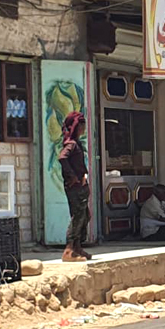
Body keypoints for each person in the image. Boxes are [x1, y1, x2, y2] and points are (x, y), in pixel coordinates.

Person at [58, 109, 91, 262]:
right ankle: (69, 249)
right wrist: (73, 177)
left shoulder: (77, 144)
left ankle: (77, 247)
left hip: (80, 187)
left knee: (85, 216)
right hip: (75, 188)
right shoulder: (71, 144)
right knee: (78, 216)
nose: (83, 129)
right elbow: (62, 158)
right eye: (81, 126)